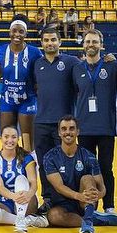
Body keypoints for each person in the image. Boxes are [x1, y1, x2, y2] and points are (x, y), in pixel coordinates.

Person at [72, 29, 117, 218]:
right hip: (84, 128)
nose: (91, 45)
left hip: (106, 127)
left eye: (94, 41)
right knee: (86, 170)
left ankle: (109, 205)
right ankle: (89, 205)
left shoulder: (112, 66)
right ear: (83, 45)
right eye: (88, 41)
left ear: (101, 44)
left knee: (105, 167)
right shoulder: (77, 68)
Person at [44, 116, 117, 233]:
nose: (68, 132)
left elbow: (102, 188)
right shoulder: (50, 157)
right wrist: (78, 196)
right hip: (63, 203)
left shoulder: (88, 156)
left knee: (87, 178)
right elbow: (58, 186)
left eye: (71, 128)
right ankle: (92, 219)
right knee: (53, 217)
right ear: (59, 132)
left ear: (78, 131)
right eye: (64, 129)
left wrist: (97, 194)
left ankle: (88, 222)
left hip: (85, 203)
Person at [33, 27, 80, 213]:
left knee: (65, 162)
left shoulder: (72, 62)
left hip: (64, 125)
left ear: (60, 42)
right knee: (44, 164)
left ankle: (68, 200)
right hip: (42, 121)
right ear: (42, 43)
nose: (50, 43)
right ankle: (48, 199)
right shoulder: (37, 64)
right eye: (46, 40)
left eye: (53, 39)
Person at [0, 126, 48, 233]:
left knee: (20, 179)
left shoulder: (27, 158)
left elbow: (33, 183)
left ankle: (20, 217)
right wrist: (14, 197)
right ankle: (24, 221)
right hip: (5, 203)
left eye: (13, 137)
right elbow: (0, 188)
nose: (10, 140)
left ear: (18, 139)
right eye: (6, 137)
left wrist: (29, 194)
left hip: (27, 200)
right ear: (0, 138)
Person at [0, 17, 42, 154]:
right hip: (7, 101)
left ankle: (30, 173)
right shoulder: (0, 52)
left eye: (21, 31)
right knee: (8, 140)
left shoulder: (34, 52)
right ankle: (10, 171)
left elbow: (38, 76)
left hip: (27, 100)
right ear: (9, 32)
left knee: (28, 143)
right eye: (14, 31)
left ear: (26, 34)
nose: (17, 34)